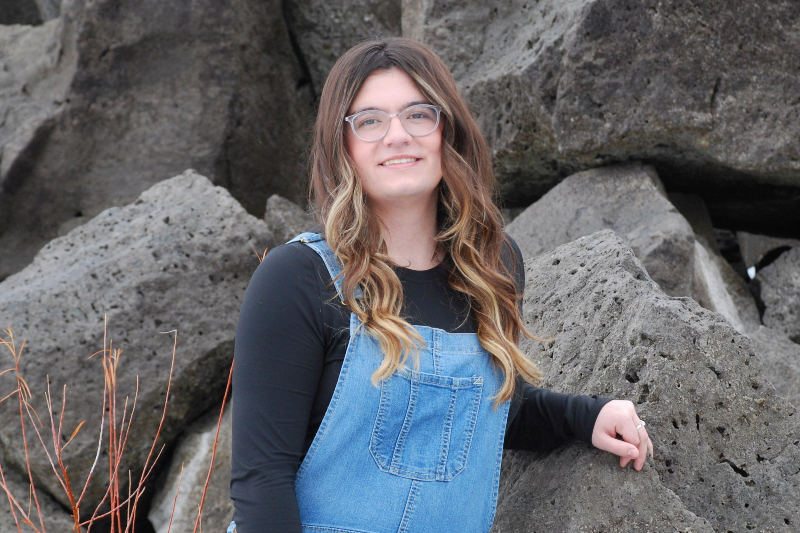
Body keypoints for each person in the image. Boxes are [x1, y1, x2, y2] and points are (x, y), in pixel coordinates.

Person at [229, 37, 653, 533]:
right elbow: (261, 482)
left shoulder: (493, 268)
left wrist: (588, 417)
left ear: (447, 131)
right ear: (341, 147)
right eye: (369, 121)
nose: (397, 136)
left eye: (418, 114)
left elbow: (488, 415)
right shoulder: (299, 279)